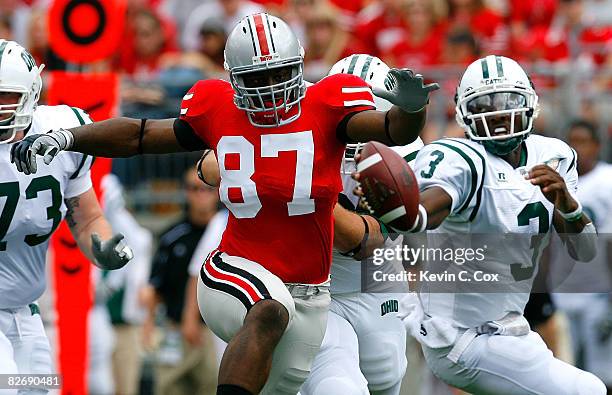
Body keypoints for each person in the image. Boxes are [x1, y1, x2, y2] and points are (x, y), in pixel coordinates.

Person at [10, 13, 438, 395]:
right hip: (237, 268)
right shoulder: (221, 111)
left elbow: (390, 137)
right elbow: (142, 135)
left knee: (340, 379)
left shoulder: (329, 111)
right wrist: (71, 136)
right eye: (257, 80)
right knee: (274, 314)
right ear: (233, 78)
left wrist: (412, 111)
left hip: (318, 289)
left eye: (279, 76)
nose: (271, 91)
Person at [355, 55, 605, 394]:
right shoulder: (461, 160)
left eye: (507, 103)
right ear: (464, 113)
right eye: (485, 105)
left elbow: (586, 251)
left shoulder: (555, 154)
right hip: (462, 336)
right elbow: (424, 214)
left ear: (529, 103)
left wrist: (568, 205)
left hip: (510, 328)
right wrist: (399, 211)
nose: (499, 115)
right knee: (587, 390)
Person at [0, 40, 133, 393]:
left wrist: (103, 246)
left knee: (40, 388)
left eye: (5, 95)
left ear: (30, 94)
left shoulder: (61, 131)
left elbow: (87, 218)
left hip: (24, 311)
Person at [301, 54, 420, 395]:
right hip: (316, 285)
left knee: (386, 376)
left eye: (367, 116)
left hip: (377, 280)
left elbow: (374, 238)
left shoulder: (406, 151)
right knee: (333, 384)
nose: (357, 127)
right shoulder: (302, 134)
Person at [142, 166, 218, 395]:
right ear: (186, 192)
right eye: (194, 188)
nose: (201, 194)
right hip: (175, 329)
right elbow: (155, 285)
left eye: (207, 188)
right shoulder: (173, 236)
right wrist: (148, 323)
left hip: (215, 332)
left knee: (213, 388)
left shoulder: (228, 231)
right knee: (168, 387)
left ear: (217, 192)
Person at [551, 119, 612, 391]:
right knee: (564, 373)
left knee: (604, 374)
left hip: (600, 294)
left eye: (583, 141)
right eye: (572, 141)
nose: (577, 147)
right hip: (560, 291)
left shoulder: (607, 180)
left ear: (598, 146)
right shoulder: (556, 181)